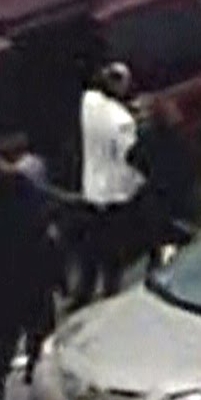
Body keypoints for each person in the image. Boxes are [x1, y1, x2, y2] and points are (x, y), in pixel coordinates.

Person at [0, 148, 64, 400]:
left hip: (5, 288)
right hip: (34, 288)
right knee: (39, 338)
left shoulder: (0, 208)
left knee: (2, 347)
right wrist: (60, 282)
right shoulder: (41, 212)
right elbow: (50, 252)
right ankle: (33, 381)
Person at [74, 62, 142, 307]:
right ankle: (110, 296)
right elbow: (130, 156)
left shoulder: (88, 103)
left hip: (90, 188)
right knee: (112, 254)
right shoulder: (121, 121)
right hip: (115, 194)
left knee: (88, 252)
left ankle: (82, 295)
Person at [129, 97, 197, 271]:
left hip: (156, 197)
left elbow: (135, 160)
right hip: (172, 198)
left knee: (157, 240)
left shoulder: (147, 137)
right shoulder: (178, 139)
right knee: (172, 240)